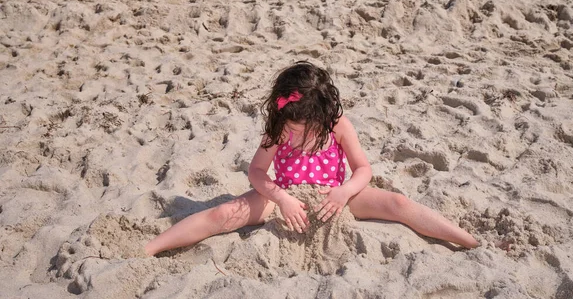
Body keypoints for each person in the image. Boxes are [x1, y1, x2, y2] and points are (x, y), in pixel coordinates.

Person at [144, 62, 479, 256]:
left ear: (324, 114)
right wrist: (281, 198)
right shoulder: (277, 130)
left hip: (335, 197)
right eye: (294, 127)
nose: (299, 135)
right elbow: (257, 171)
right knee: (221, 212)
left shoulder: (338, 125)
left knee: (398, 203)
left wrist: (345, 192)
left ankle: (469, 242)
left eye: (308, 128)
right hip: (284, 197)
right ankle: (149, 249)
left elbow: (363, 169)